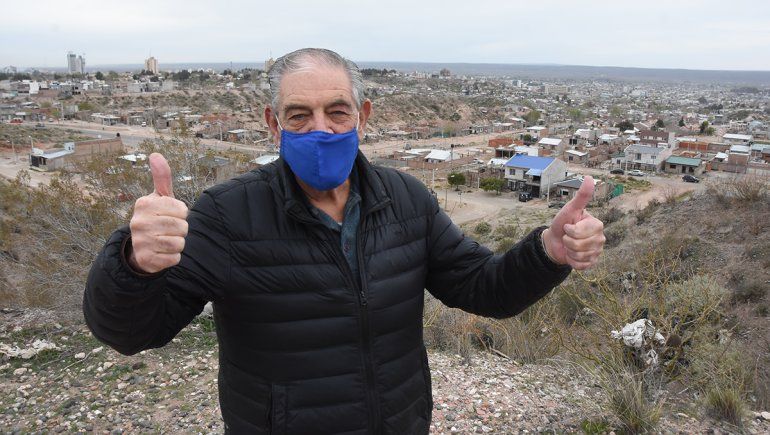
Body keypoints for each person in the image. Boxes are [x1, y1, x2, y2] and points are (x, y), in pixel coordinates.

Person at [83, 48, 605, 434]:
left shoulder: (406, 198)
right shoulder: (227, 214)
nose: (321, 130)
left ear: (363, 116)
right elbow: (133, 333)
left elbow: (482, 288)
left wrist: (546, 253)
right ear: (273, 124)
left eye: (337, 112)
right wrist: (134, 264)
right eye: (299, 115)